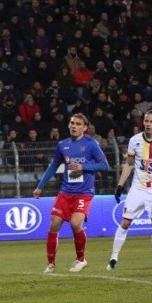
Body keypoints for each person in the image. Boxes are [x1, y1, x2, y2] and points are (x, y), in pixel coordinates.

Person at [33, 113, 110, 273]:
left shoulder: (91, 144)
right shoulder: (63, 145)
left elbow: (104, 165)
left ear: (84, 127)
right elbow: (53, 166)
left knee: (76, 224)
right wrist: (40, 186)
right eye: (72, 123)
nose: (74, 126)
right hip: (65, 192)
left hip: (84, 193)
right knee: (54, 224)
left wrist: (84, 167)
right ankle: (51, 264)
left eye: (78, 124)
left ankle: (81, 259)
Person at [107, 110, 152, 271]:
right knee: (125, 222)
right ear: (143, 122)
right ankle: (113, 258)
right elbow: (129, 164)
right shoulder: (134, 141)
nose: (148, 124)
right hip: (137, 188)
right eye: (146, 121)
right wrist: (120, 185)